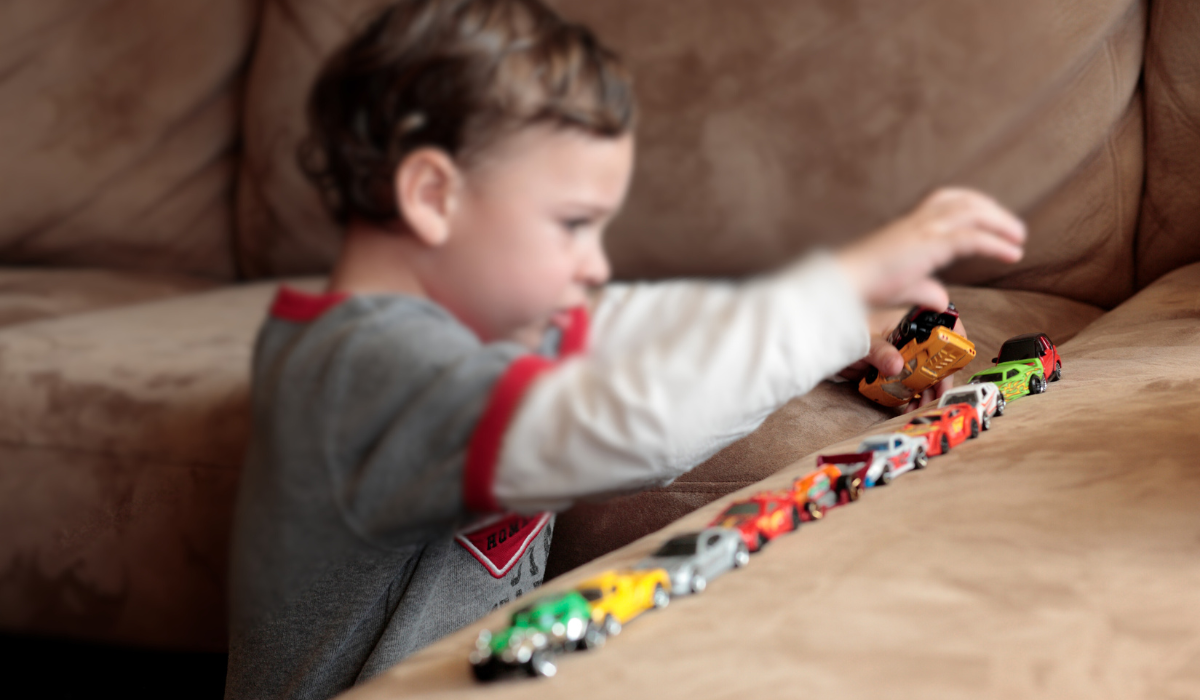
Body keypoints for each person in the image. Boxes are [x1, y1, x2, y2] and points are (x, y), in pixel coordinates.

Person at [224, 0, 1026, 697]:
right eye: (572, 224)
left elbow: (631, 326)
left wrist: (839, 334)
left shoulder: (480, 327)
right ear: (433, 196)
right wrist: (833, 302)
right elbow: (635, 428)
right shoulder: (364, 373)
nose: (596, 263)